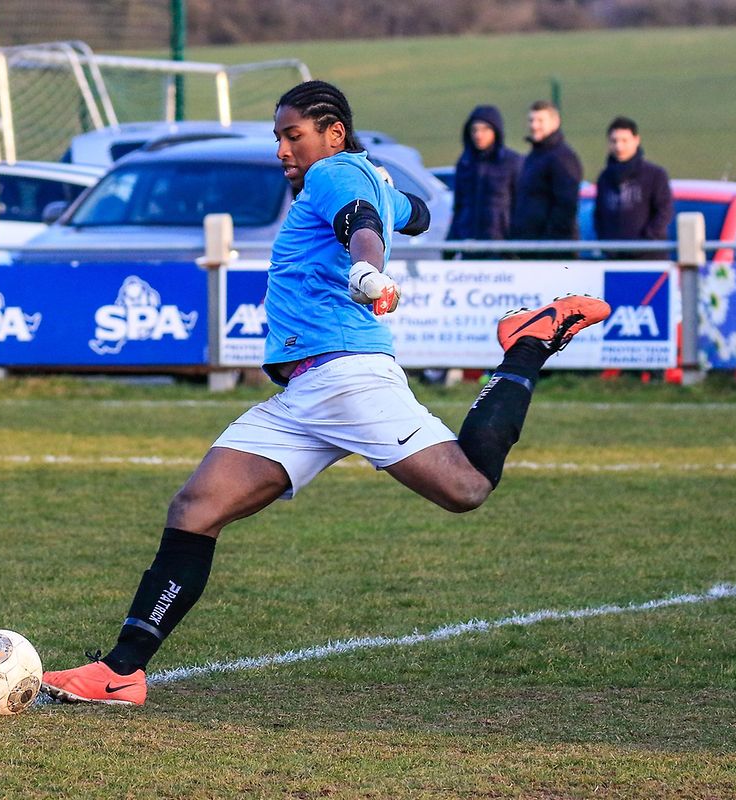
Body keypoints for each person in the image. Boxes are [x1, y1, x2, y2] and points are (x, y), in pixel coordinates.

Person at [41, 81, 610, 707]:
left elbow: (358, 224)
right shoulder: (361, 174)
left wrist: (366, 266)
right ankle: (122, 670)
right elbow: (407, 212)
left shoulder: (333, 174)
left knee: (467, 486)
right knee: (195, 508)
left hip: (347, 379)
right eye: (278, 138)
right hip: (303, 395)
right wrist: (393, 201)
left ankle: (527, 344)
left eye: (294, 135)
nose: (283, 150)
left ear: (332, 133)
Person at [447, 105, 522, 257]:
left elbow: (520, 207)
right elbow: (459, 208)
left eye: (485, 129)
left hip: (501, 251)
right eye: (474, 130)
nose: (478, 135)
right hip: (468, 247)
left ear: (496, 131)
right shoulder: (465, 163)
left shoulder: (512, 162)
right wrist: (449, 246)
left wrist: (516, 246)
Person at [509, 100, 582, 256]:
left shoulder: (563, 158)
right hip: (530, 248)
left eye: (540, 120)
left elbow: (566, 206)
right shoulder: (533, 157)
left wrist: (549, 244)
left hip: (551, 252)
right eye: (531, 120)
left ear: (555, 122)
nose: (534, 125)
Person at [594, 116, 674, 259]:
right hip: (614, 261)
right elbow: (599, 215)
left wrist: (644, 242)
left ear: (636, 140)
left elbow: (664, 212)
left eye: (624, 140)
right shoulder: (604, 178)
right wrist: (606, 244)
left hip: (649, 260)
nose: (619, 146)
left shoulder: (655, 175)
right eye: (614, 141)